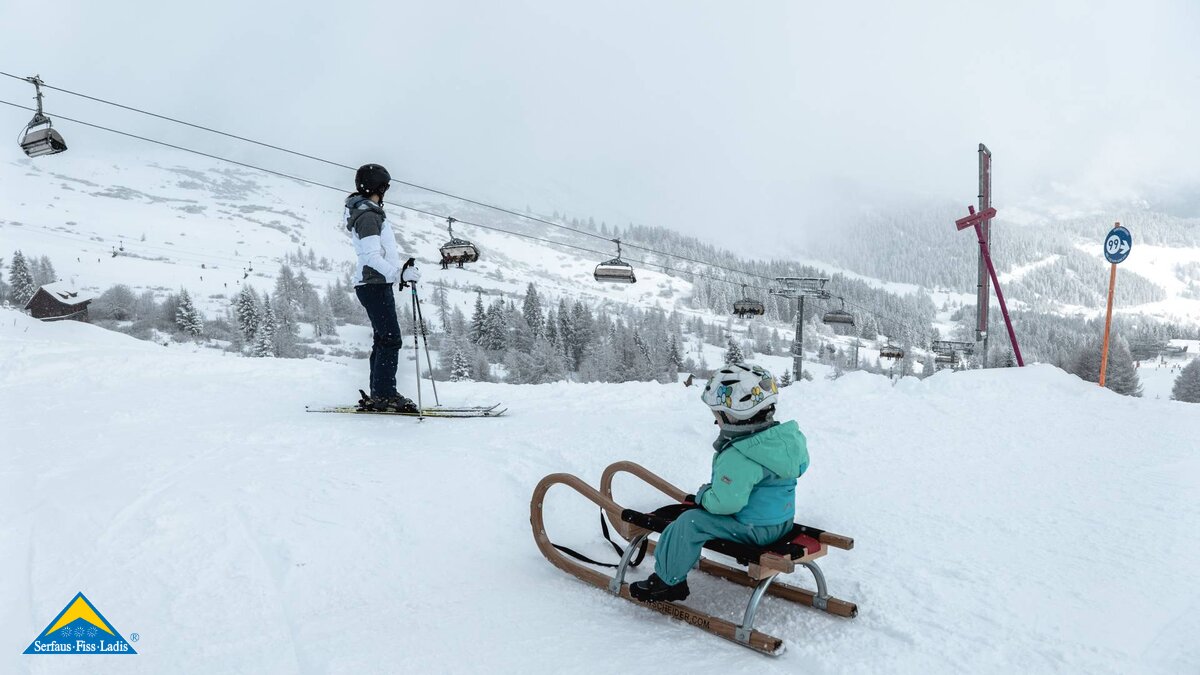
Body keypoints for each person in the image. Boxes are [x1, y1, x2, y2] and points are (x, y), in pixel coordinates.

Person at [630, 362, 808, 602]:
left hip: (753, 531)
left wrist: (704, 496)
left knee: (689, 522)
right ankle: (680, 560)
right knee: (694, 517)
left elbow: (726, 504)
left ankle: (667, 582)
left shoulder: (741, 454)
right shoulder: (783, 442)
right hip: (781, 524)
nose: (716, 421)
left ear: (733, 414)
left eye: (717, 415)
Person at [345, 163, 422, 412]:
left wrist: (396, 273)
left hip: (375, 284)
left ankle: (380, 393)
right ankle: (385, 395)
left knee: (383, 339)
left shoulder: (369, 212)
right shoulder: (368, 215)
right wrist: (397, 273)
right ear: (380, 187)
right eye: (385, 187)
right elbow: (370, 255)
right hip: (373, 283)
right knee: (390, 340)